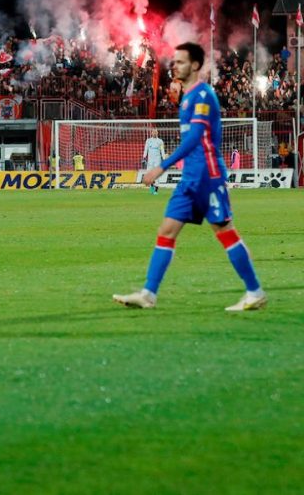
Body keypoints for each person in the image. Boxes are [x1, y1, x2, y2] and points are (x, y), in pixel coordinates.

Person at [113, 43, 266, 312]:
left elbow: (195, 138)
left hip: (208, 176)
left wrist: (162, 166)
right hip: (189, 179)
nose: (174, 65)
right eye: (174, 61)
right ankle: (148, 294)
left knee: (225, 232)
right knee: (166, 231)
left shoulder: (204, 95)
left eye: (181, 62)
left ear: (195, 65)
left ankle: (255, 292)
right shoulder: (186, 98)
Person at [143, 128, 166, 195]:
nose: (154, 133)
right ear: (151, 133)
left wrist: (164, 158)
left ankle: (156, 190)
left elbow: (162, 150)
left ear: (157, 133)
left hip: (157, 160)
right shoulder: (148, 140)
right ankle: (151, 188)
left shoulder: (160, 141)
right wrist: (144, 157)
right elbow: (146, 150)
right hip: (150, 161)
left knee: (157, 175)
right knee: (149, 174)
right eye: (153, 132)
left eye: (156, 132)